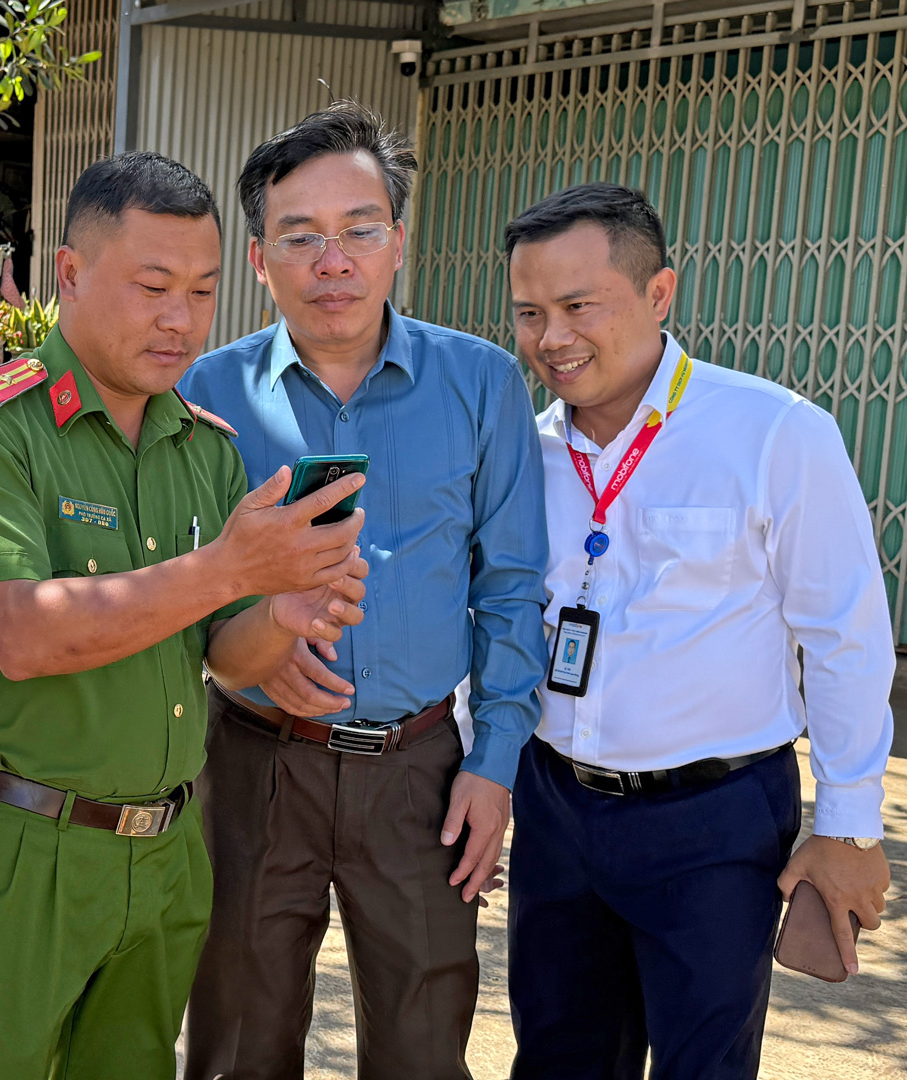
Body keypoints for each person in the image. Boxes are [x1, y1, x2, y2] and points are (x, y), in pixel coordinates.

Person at [0, 151, 371, 1080]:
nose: (179, 319)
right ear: (69, 274)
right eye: (152, 285)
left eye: (201, 292)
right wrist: (227, 563)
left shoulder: (201, 446)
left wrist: (284, 608)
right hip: (19, 852)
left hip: (164, 855)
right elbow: (27, 636)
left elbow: (225, 658)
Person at [177, 101, 551, 1080]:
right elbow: (176, 586)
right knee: (235, 1041)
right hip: (252, 763)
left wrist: (496, 759)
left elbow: (512, 589)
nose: (330, 262)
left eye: (358, 232)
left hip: (421, 769)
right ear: (261, 260)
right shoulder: (203, 399)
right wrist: (246, 648)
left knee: (424, 1049)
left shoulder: (481, 384)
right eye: (300, 238)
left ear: (398, 242)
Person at [502, 182, 895, 1079]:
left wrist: (849, 825)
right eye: (528, 313)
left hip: (714, 823)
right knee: (558, 1056)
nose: (551, 338)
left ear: (659, 294)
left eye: (577, 306)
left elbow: (845, 635)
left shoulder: (773, 434)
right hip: (557, 808)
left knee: (704, 1065)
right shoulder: (526, 451)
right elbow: (502, 620)